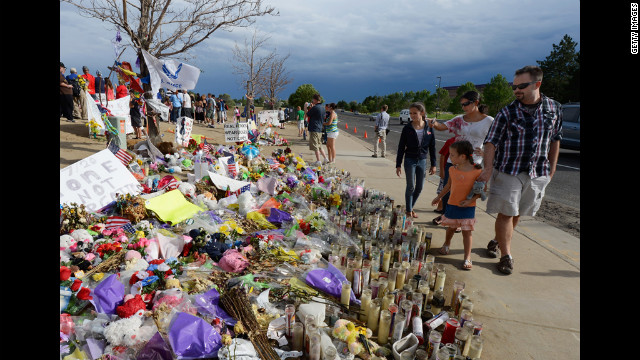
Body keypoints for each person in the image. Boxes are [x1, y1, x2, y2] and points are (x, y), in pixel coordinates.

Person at [476, 65, 562, 275]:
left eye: (521, 86)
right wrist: (487, 170)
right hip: (509, 170)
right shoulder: (507, 111)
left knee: (518, 212)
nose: (516, 91)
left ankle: (498, 240)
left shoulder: (554, 109)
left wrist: (551, 170)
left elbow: (555, 140)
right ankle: (506, 256)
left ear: (537, 84)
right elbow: (491, 142)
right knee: (506, 212)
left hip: (537, 172)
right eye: (514, 87)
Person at [428, 90, 494, 225]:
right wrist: (434, 123)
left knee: (466, 192)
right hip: (453, 161)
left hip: (472, 163)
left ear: (476, 102)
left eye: (466, 104)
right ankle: (446, 215)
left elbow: (496, 141)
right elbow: (442, 126)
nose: (463, 107)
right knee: (448, 189)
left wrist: (485, 152)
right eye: (462, 105)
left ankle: (461, 221)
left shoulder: (489, 121)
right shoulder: (458, 119)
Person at [431, 140, 485, 270]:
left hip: (468, 207)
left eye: (452, 155)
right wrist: (439, 197)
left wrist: (470, 201)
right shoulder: (452, 169)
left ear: (463, 156)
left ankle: (467, 257)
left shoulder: (477, 171)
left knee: (467, 232)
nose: (450, 157)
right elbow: (448, 186)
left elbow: (482, 191)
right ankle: (446, 244)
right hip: (452, 205)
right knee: (450, 228)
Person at [395, 102, 437, 219]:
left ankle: (409, 207)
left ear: (422, 113)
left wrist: (434, 164)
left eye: (415, 113)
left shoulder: (429, 127)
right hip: (409, 160)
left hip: (422, 161)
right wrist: (398, 164)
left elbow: (432, 147)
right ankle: (408, 212)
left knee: (420, 187)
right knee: (411, 186)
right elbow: (401, 147)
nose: (412, 115)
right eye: (411, 113)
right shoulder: (407, 128)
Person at [435, 136, 456, 214]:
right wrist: (442, 170)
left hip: (456, 170)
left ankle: (442, 208)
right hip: (447, 169)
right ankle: (440, 207)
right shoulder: (451, 141)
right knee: (443, 189)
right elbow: (443, 155)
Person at [307, 94, 329, 165]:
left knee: (315, 145)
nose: (312, 101)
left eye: (313, 100)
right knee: (319, 145)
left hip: (314, 128)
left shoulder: (315, 107)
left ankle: (318, 160)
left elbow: (307, 114)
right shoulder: (323, 108)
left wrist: (305, 107)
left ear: (315, 100)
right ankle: (325, 158)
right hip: (319, 128)